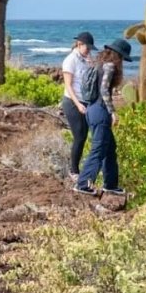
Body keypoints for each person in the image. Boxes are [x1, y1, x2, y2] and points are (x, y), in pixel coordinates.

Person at [75, 38, 133, 196]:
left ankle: (111, 185)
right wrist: (112, 111)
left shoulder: (97, 64)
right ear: (118, 55)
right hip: (100, 111)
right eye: (122, 58)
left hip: (91, 109)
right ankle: (83, 184)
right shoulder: (110, 66)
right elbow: (104, 90)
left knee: (109, 148)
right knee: (99, 149)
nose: (122, 62)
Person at [61, 31, 97, 181]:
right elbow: (68, 85)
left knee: (83, 136)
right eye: (87, 48)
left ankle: (77, 168)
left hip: (84, 101)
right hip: (72, 101)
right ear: (79, 44)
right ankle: (73, 170)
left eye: (90, 48)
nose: (89, 51)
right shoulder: (70, 60)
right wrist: (78, 104)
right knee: (79, 136)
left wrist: (91, 64)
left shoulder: (84, 59)